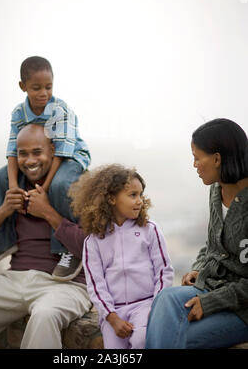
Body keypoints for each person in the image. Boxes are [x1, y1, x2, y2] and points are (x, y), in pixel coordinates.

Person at [0, 124, 91, 349]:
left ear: (53, 152)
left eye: (37, 152)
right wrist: (3, 210)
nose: (30, 160)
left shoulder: (74, 187)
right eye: (23, 153)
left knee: (45, 317)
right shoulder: (9, 186)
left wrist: (48, 213)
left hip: (67, 286)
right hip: (14, 280)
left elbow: (93, 248)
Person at [0, 56, 91, 281]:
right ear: (23, 87)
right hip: (40, 152)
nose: (43, 93)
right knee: (0, 176)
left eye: (48, 87)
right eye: (36, 88)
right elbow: (12, 150)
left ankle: (66, 251)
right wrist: (12, 187)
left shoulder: (61, 110)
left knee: (61, 184)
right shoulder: (19, 113)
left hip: (69, 157)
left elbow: (61, 152)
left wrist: (45, 188)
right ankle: (4, 240)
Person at [145, 118, 248, 349]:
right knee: (164, 300)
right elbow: (213, 245)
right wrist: (199, 267)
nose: (194, 165)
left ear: (217, 158)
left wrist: (211, 302)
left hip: (243, 309)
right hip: (213, 286)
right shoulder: (216, 190)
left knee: (176, 338)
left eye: (196, 157)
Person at [68, 164, 174, 349]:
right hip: (113, 313)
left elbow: (164, 271)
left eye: (141, 194)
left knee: (141, 341)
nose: (139, 201)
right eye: (133, 195)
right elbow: (95, 284)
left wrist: (156, 309)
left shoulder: (150, 230)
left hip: (146, 306)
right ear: (111, 199)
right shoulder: (93, 241)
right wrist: (112, 317)